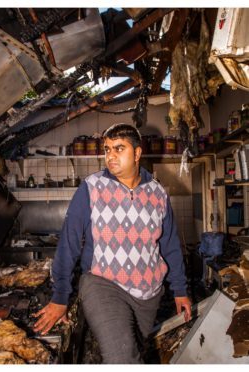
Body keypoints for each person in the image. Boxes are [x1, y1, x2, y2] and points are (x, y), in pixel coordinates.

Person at [33, 123, 192, 363]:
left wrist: (180, 290)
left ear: (137, 153)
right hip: (102, 283)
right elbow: (69, 242)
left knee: (134, 349)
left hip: (148, 292)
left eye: (119, 149)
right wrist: (60, 295)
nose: (111, 156)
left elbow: (169, 245)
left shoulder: (158, 193)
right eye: (107, 149)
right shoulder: (92, 188)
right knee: (122, 357)